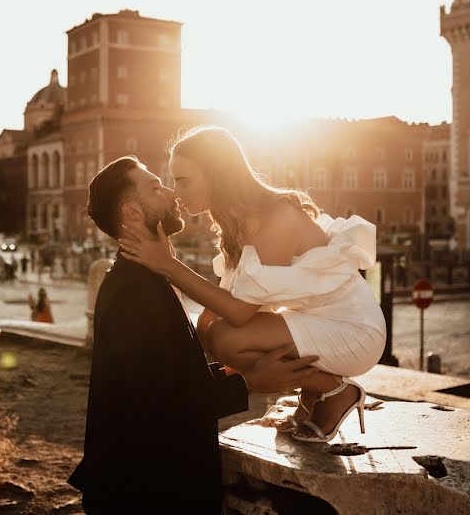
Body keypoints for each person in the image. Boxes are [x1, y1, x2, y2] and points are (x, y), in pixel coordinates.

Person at [69, 156, 322, 514]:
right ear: (132, 213)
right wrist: (250, 382)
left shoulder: (143, 278)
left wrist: (236, 371)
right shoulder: (131, 293)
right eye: (155, 187)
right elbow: (161, 403)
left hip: (151, 484)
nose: (171, 192)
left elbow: (171, 378)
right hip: (144, 494)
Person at [118, 126, 386, 443]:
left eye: (183, 180)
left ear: (216, 174)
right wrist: (191, 366)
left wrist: (168, 265)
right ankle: (317, 393)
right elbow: (210, 316)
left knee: (228, 339)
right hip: (321, 322)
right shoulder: (237, 224)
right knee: (213, 333)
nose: (176, 191)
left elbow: (240, 313)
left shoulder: (276, 218)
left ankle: (332, 390)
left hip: (355, 330)